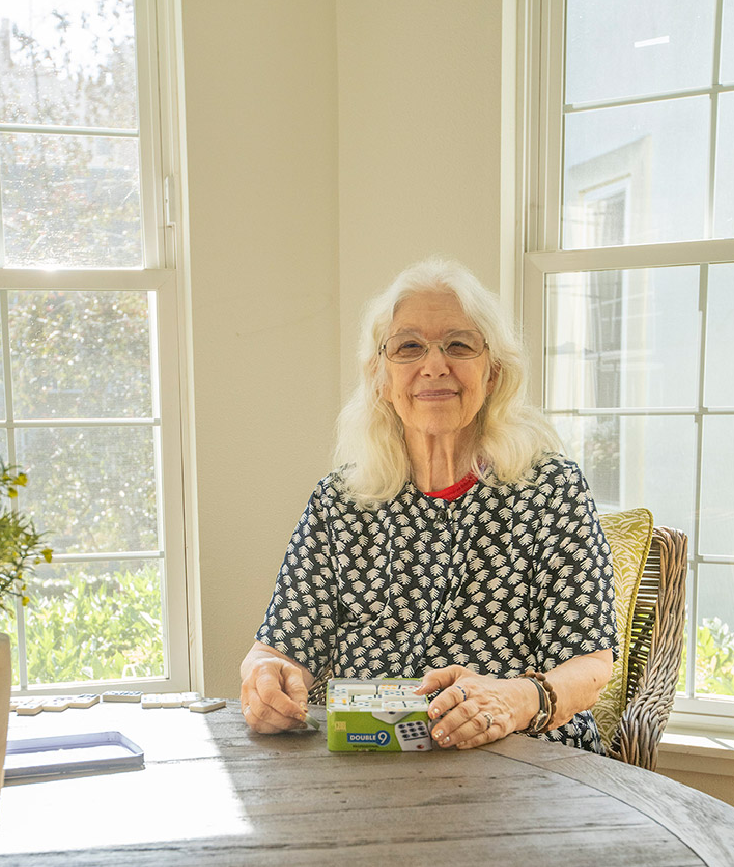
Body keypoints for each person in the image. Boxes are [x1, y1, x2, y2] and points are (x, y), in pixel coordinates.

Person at [240, 257, 616, 752]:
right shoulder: (339, 503)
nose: (434, 365)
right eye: (409, 346)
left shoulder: (551, 491)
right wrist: (266, 679)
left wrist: (514, 700)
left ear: (493, 373)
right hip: (372, 761)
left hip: (520, 760)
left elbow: (591, 663)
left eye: (459, 345)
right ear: (380, 376)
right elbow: (275, 649)